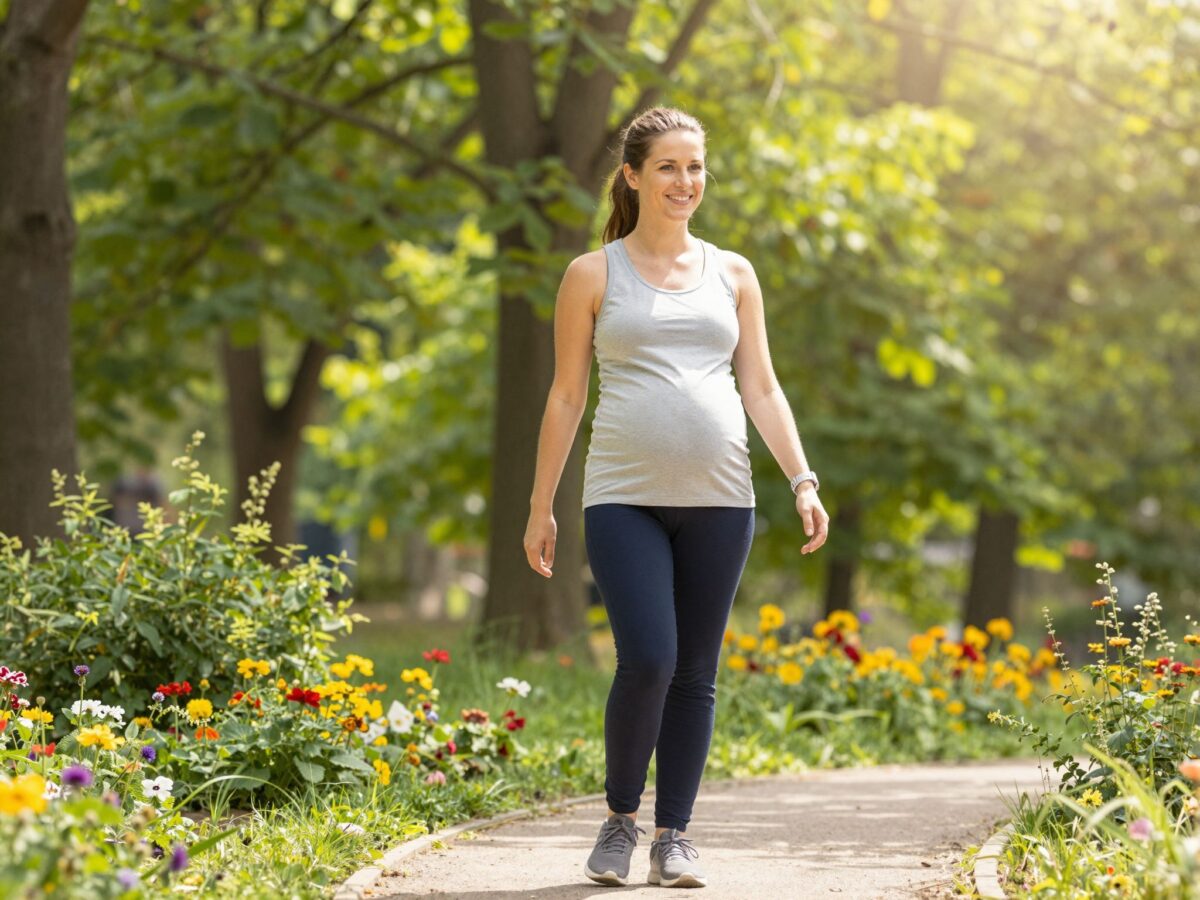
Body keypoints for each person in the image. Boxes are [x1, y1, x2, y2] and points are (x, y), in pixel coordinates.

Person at [523, 106, 830, 889]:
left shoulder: (733, 273)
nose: (684, 182)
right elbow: (565, 396)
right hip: (621, 497)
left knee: (696, 670)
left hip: (722, 499)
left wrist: (802, 479)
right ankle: (621, 819)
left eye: (694, 168)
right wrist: (540, 505)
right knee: (649, 659)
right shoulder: (592, 274)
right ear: (632, 175)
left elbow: (760, 386)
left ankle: (675, 836)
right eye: (667, 167)